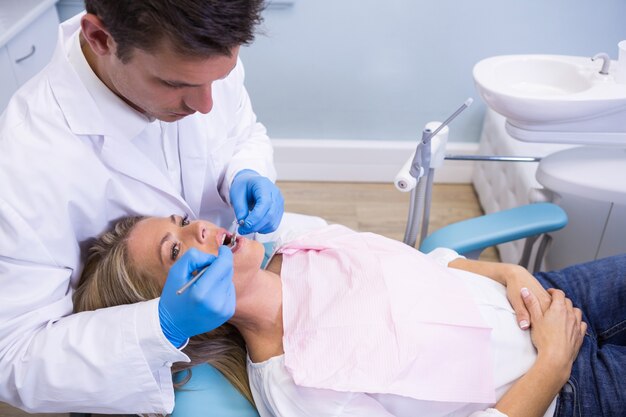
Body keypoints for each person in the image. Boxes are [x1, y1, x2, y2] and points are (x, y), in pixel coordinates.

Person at [0, 1, 317, 414]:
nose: (205, 105)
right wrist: (160, 325)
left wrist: (245, 170)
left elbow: (241, 130)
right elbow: (14, 359)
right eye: (175, 85)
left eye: (218, 79)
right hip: (127, 363)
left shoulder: (198, 60)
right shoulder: (24, 163)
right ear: (100, 38)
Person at [74, 214, 626, 417]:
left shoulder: (301, 246)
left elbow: (429, 265)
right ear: (172, 307)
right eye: (176, 251)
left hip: (546, 294)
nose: (199, 228)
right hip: (567, 389)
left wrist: (511, 276)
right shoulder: (296, 385)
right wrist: (553, 363)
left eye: (182, 218)